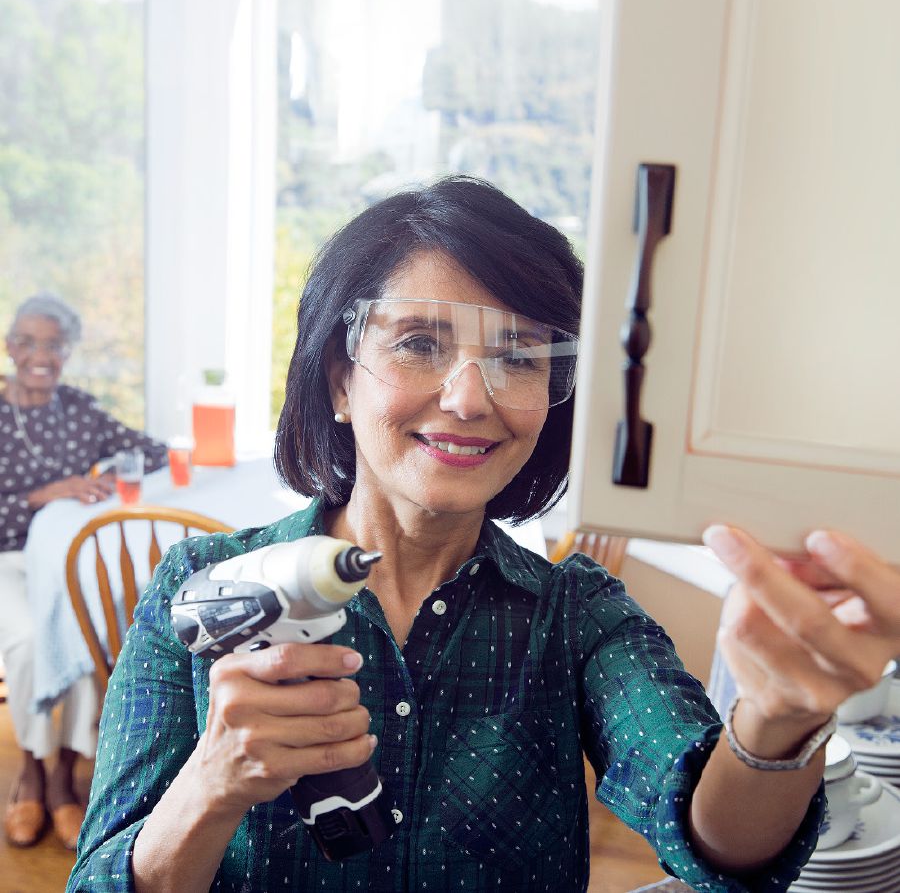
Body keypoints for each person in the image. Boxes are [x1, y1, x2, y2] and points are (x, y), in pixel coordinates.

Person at [68, 178, 900, 892]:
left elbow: (719, 843)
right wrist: (212, 781)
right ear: (338, 380)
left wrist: (778, 717)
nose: (470, 398)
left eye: (520, 356)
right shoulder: (204, 581)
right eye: (420, 344)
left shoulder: (576, 616)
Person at [0, 293, 168, 850]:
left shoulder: (79, 411)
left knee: (89, 629)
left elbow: (150, 452)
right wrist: (43, 495)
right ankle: (33, 771)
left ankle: (67, 776)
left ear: (68, 352)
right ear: (10, 347)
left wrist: (112, 476)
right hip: (8, 558)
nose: (40, 354)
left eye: (54, 344)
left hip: (66, 562)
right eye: (28, 342)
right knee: (29, 642)